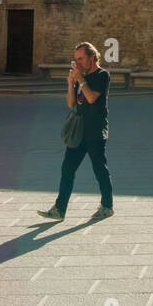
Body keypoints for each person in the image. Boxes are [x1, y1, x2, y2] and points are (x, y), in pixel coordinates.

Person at [39, 41, 113, 221]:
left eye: (81, 59)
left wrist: (81, 80)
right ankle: (59, 209)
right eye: (75, 60)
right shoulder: (81, 76)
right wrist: (70, 83)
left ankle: (107, 206)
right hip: (78, 130)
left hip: (95, 131)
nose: (77, 63)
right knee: (67, 169)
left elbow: (92, 98)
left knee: (99, 169)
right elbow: (71, 104)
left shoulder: (102, 75)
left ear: (92, 57)